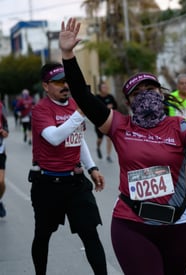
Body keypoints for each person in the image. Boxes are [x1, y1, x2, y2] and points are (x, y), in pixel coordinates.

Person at [59, 17, 186, 275]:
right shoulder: (119, 125)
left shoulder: (178, 126)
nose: (146, 94)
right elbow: (83, 96)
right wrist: (68, 55)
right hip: (132, 224)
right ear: (128, 101)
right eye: (138, 93)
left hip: (179, 225)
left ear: (161, 94)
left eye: (151, 88)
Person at [30, 62, 107, 275]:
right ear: (46, 86)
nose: (65, 86)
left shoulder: (74, 105)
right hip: (47, 184)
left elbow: (78, 138)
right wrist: (79, 114)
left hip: (76, 183)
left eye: (67, 81)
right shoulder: (40, 110)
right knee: (43, 235)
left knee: (90, 234)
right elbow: (54, 138)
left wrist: (92, 168)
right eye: (58, 82)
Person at [94, 81, 118, 162]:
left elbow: (116, 106)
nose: (106, 88)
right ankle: (98, 147)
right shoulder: (96, 98)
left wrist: (112, 107)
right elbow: (94, 109)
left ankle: (108, 156)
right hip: (99, 122)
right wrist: (105, 107)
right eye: (103, 87)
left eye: (106, 87)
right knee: (99, 139)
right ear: (100, 89)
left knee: (109, 138)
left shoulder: (110, 97)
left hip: (109, 121)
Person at [0, 101, 9, 218]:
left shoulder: (1, 106)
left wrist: (5, 131)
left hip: (0, 151)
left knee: (1, 182)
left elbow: (5, 123)